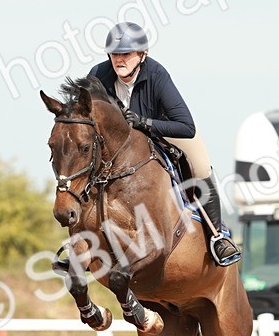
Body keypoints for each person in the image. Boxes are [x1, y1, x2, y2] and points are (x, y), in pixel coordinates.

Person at [86, 22, 241, 266]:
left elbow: (186, 126)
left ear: (142, 55)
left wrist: (145, 122)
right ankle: (83, 244)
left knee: (200, 165)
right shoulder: (98, 76)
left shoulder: (157, 75)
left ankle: (217, 237)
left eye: (126, 54)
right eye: (115, 54)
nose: (119, 60)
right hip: (122, 145)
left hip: (164, 131)